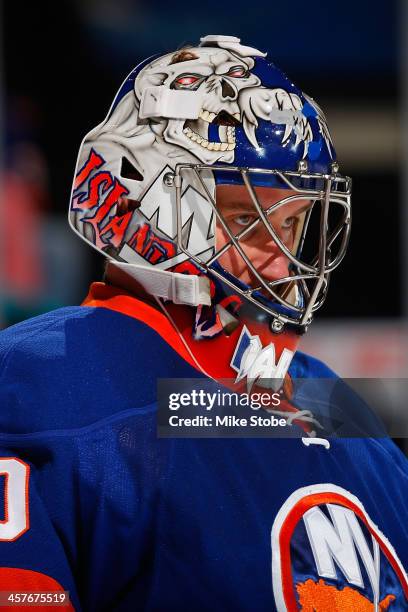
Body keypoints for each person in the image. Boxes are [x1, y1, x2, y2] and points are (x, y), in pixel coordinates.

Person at [0, 35, 407, 611]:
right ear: (137, 201)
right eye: (245, 217)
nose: (281, 259)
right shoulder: (39, 381)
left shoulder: (336, 404)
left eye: (292, 225)